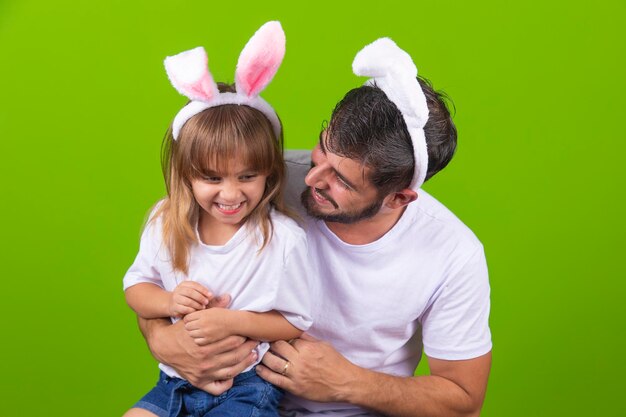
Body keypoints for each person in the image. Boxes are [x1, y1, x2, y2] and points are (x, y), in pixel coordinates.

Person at [138, 37, 492, 417]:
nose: (311, 179)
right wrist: (162, 337)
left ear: (398, 198)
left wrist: (348, 382)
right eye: (323, 149)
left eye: (342, 180)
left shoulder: (453, 254)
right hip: (218, 395)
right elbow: (166, 264)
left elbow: (463, 399)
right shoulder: (257, 182)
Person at [122, 21, 312, 417]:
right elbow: (137, 289)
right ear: (186, 174)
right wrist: (170, 300)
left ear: (269, 173)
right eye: (211, 178)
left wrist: (230, 322)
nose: (230, 194)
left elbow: (294, 321)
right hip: (172, 382)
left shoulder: (283, 238)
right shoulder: (166, 221)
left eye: (247, 177)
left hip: (246, 386)